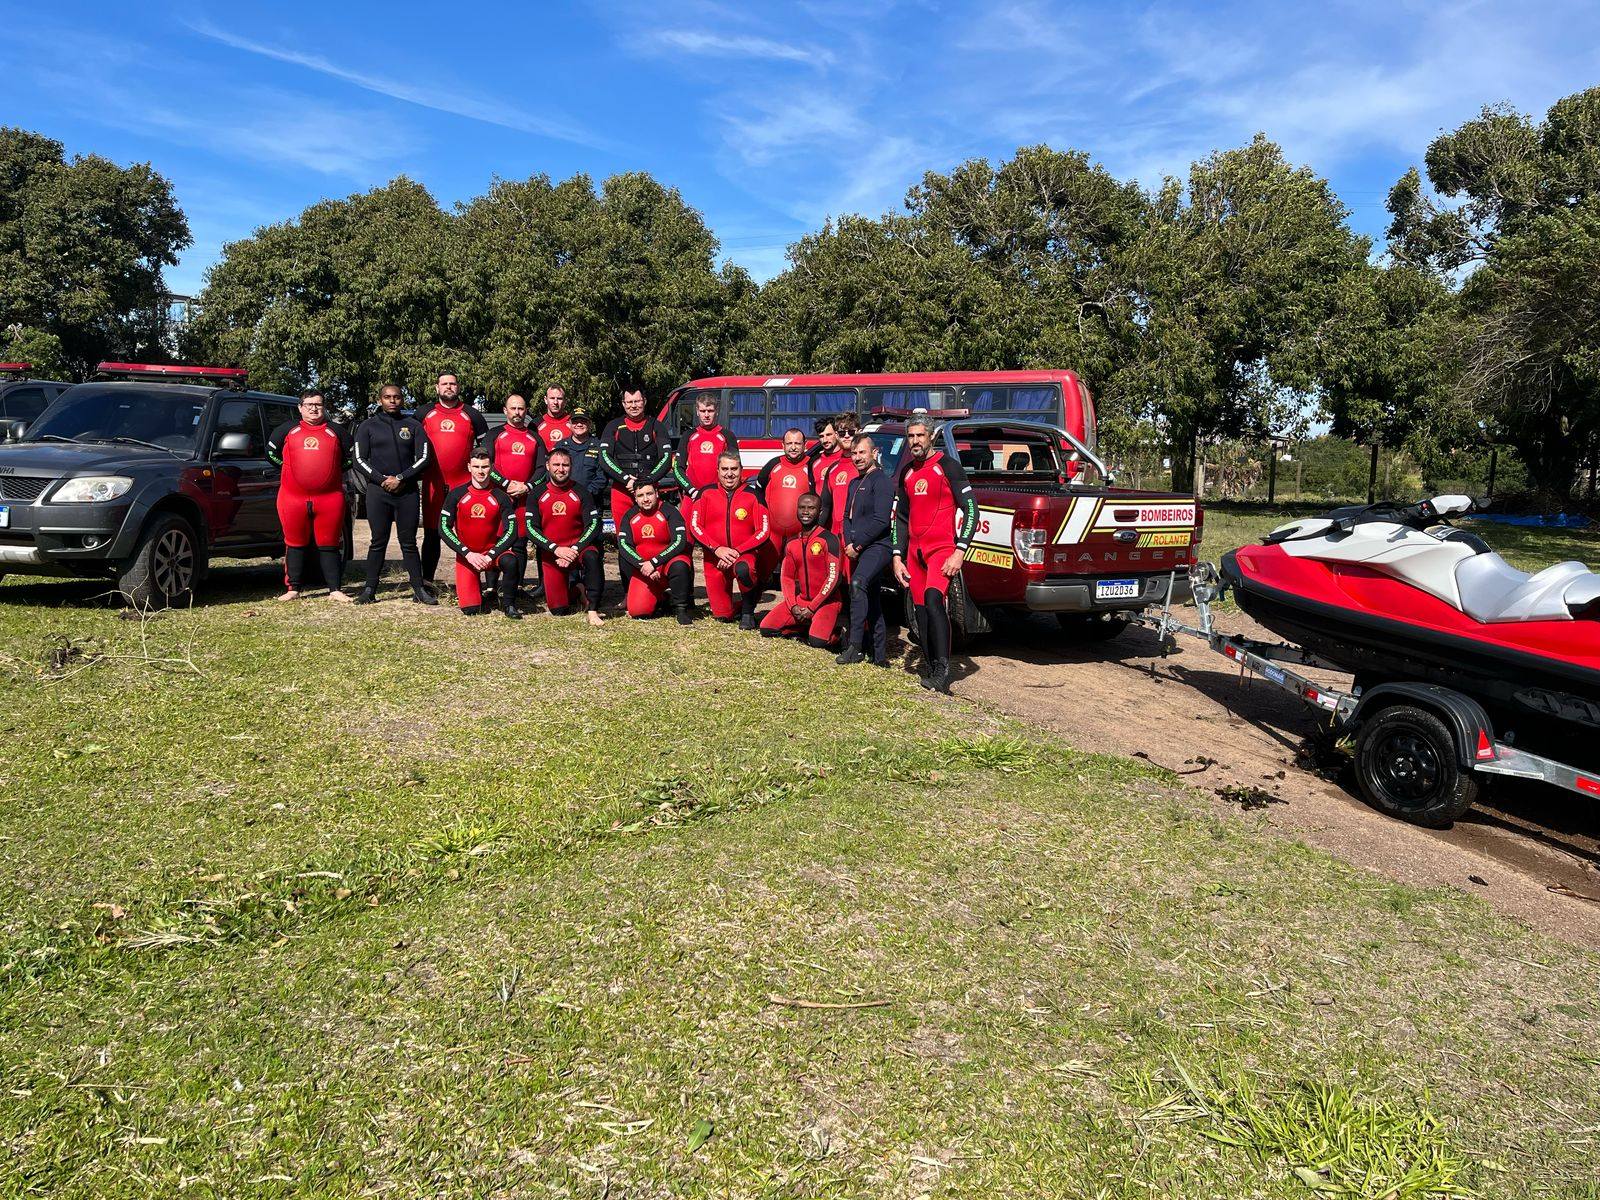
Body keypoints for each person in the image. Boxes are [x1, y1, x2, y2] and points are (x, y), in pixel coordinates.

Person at [891, 416, 978, 692]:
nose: (915, 441)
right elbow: (900, 519)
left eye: (920, 435)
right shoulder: (907, 472)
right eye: (911, 436)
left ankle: (943, 670)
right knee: (919, 613)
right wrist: (896, 556)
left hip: (941, 549)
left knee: (933, 601)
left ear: (931, 437)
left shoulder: (948, 466)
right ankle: (931, 666)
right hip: (915, 554)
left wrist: (960, 551)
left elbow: (972, 511)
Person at [267, 390, 354, 602]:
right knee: (295, 543)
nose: (314, 408)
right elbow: (270, 454)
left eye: (318, 404)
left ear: (324, 407)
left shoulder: (337, 431)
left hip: (329, 498)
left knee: (329, 543)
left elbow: (352, 458)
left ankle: (334, 589)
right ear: (300, 407)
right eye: (309, 404)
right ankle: (293, 589)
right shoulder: (286, 430)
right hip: (292, 498)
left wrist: (334, 471)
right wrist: (287, 468)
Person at [352, 383, 434, 604]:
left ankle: (419, 589)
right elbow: (358, 460)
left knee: (408, 542)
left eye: (396, 397)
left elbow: (425, 458)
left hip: (406, 492)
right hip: (378, 492)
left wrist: (401, 478)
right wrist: (382, 479)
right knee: (378, 541)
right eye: (387, 397)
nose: (392, 401)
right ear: (380, 400)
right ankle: (369, 589)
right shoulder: (367, 426)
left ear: (402, 399)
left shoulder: (413, 425)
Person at [418, 371, 488, 582]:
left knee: (470, 535)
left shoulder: (472, 414)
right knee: (431, 535)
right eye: (444, 384)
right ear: (437, 388)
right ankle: (427, 583)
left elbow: (485, 450)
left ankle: (472, 584)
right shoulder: (423, 413)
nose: (449, 387)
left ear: (458, 387)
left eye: (453, 384)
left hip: (464, 485)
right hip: (433, 484)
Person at [688, 451, 771, 629]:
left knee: (744, 569)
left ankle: (748, 612)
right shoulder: (705, 493)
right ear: (717, 470)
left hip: (743, 556)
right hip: (714, 559)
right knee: (722, 615)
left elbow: (763, 531)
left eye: (734, 469)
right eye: (724, 469)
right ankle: (735, 608)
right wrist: (717, 549)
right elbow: (695, 526)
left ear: (741, 470)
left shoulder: (754, 495)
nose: (729, 473)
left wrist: (738, 551)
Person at [527, 447, 605, 626]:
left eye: (565, 465)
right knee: (559, 611)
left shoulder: (581, 492)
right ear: (547, 466)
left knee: (593, 556)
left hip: (579, 547)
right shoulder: (537, 493)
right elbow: (532, 529)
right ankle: (578, 589)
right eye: (556, 464)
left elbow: (593, 525)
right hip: (552, 552)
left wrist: (575, 549)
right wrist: (556, 549)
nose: (560, 469)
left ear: (571, 466)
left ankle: (593, 609)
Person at [439, 450, 520, 618]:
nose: (480, 471)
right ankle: (479, 592)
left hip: (492, 553)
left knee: (511, 561)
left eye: (485, 467)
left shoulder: (501, 497)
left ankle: (509, 605)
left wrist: (491, 555)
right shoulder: (456, 494)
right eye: (476, 466)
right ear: (469, 467)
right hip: (467, 556)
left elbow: (511, 531)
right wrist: (467, 554)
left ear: (491, 468)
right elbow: (444, 528)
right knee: (471, 610)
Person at [836, 436, 895, 667]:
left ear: (874, 453)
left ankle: (855, 646)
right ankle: (879, 654)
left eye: (862, 453)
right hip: (857, 547)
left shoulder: (882, 481)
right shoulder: (854, 482)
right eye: (854, 453)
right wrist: (849, 542)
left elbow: (881, 521)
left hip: (878, 546)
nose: (858, 457)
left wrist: (857, 544)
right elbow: (845, 517)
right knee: (870, 596)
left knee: (858, 583)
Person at [760, 492, 845, 648]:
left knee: (817, 642)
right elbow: (786, 578)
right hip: (801, 601)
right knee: (766, 628)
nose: (805, 512)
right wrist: (793, 605)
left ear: (820, 512)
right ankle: (803, 628)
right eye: (802, 508)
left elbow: (834, 578)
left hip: (826, 602)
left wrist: (812, 607)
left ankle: (837, 634)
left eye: (811, 508)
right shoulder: (792, 542)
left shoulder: (829, 539)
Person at [599, 387, 673, 548]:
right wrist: (625, 479)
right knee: (624, 539)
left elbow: (666, 459)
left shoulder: (656, 426)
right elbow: (604, 458)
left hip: (649, 490)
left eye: (637, 401)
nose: (634, 405)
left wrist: (648, 481)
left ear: (644, 402)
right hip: (622, 489)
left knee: (653, 536)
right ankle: (627, 573)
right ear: (624, 404)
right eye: (630, 402)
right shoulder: (613, 426)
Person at [616, 480, 693, 623]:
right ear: (635, 498)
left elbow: (679, 541)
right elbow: (624, 545)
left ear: (657, 494)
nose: (645, 499)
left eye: (649, 494)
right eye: (640, 495)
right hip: (645, 570)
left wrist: (654, 562)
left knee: (680, 565)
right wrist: (643, 565)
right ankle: (663, 599)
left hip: (668, 564)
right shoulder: (629, 516)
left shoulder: (670, 511)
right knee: (638, 611)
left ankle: (681, 608)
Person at [488, 394, 540, 601]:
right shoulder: (495, 434)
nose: (517, 412)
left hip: (523, 498)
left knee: (519, 542)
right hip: (499, 496)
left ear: (526, 411)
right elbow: (486, 465)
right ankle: (491, 588)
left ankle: (517, 585)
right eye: (513, 408)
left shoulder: (534, 437)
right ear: (505, 410)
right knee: (496, 540)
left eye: (521, 408)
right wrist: (506, 484)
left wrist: (526, 486)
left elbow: (542, 469)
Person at [752, 427, 813, 558]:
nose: (793, 447)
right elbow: (758, 491)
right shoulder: (773, 464)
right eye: (789, 443)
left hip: (800, 533)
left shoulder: (812, 466)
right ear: (783, 445)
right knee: (766, 571)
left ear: (805, 445)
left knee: (795, 573)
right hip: (772, 532)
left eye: (797, 443)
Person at [672, 393, 741, 499]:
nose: (706, 415)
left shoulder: (728, 436)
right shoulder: (688, 435)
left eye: (710, 411)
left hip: (719, 496)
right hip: (692, 496)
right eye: (703, 411)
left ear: (716, 411)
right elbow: (677, 468)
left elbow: (735, 469)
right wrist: (691, 490)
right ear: (697, 411)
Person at [816, 415, 861, 538]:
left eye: (851, 432)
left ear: (859, 432)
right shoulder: (832, 469)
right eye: (842, 433)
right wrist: (814, 533)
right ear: (836, 435)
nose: (846, 436)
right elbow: (825, 507)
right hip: (836, 536)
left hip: (859, 538)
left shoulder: (867, 467)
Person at [534, 384, 574, 457]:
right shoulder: (535, 424)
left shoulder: (574, 423)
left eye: (559, 398)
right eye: (552, 398)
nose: (555, 402)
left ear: (565, 401)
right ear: (546, 400)